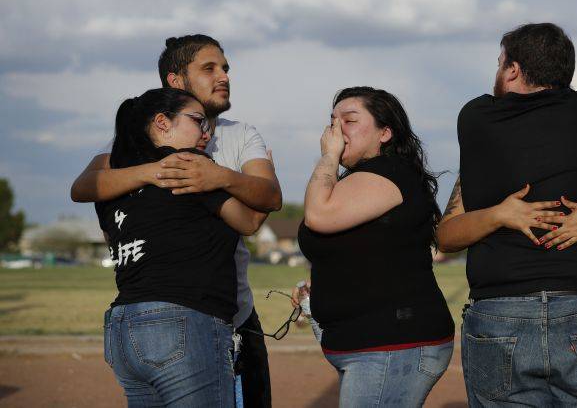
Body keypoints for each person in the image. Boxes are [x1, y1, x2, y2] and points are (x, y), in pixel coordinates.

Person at [71, 35, 280, 407]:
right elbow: (84, 185)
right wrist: (161, 171)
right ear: (175, 81)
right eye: (209, 68)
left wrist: (221, 178)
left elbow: (267, 198)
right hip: (194, 315)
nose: (223, 76)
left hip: (135, 317)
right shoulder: (163, 155)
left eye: (226, 68)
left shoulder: (239, 134)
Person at [436, 23, 577, 407]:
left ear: (512, 70)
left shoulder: (476, 117)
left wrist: (499, 214)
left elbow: (446, 236)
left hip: (501, 310)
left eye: (499, 64)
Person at [97, 88, 263, 406]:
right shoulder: (189, 165)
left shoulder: (114, 181)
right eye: (198, 120)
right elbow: (249, 221)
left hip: (123, 325)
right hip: (183, 319)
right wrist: (256, 177)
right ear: (162, 122)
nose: (206, 130)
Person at [297, 87, 455, 408]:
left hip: (392, 342)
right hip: (369, 344)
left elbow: (317, 215)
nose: (336, 129)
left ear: (385, 133)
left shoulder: (389, 173)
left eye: (350, 120)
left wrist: (328, 156)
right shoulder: (356, 180)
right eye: (332, 120)